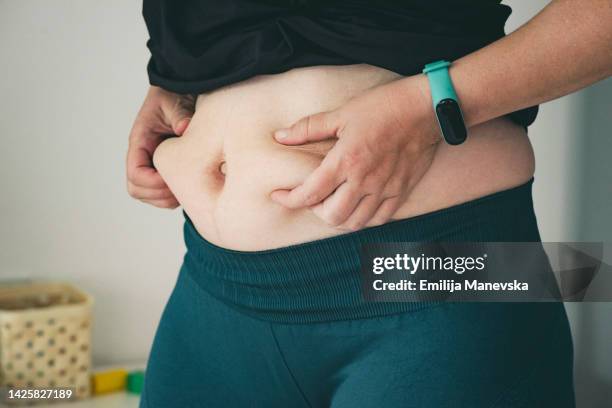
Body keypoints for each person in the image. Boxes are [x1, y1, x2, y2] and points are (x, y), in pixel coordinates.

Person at [126, 1, 612, 407]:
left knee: (587, 274)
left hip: (440, 277)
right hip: (214, 293)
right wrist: (174, 76)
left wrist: (433, 104)